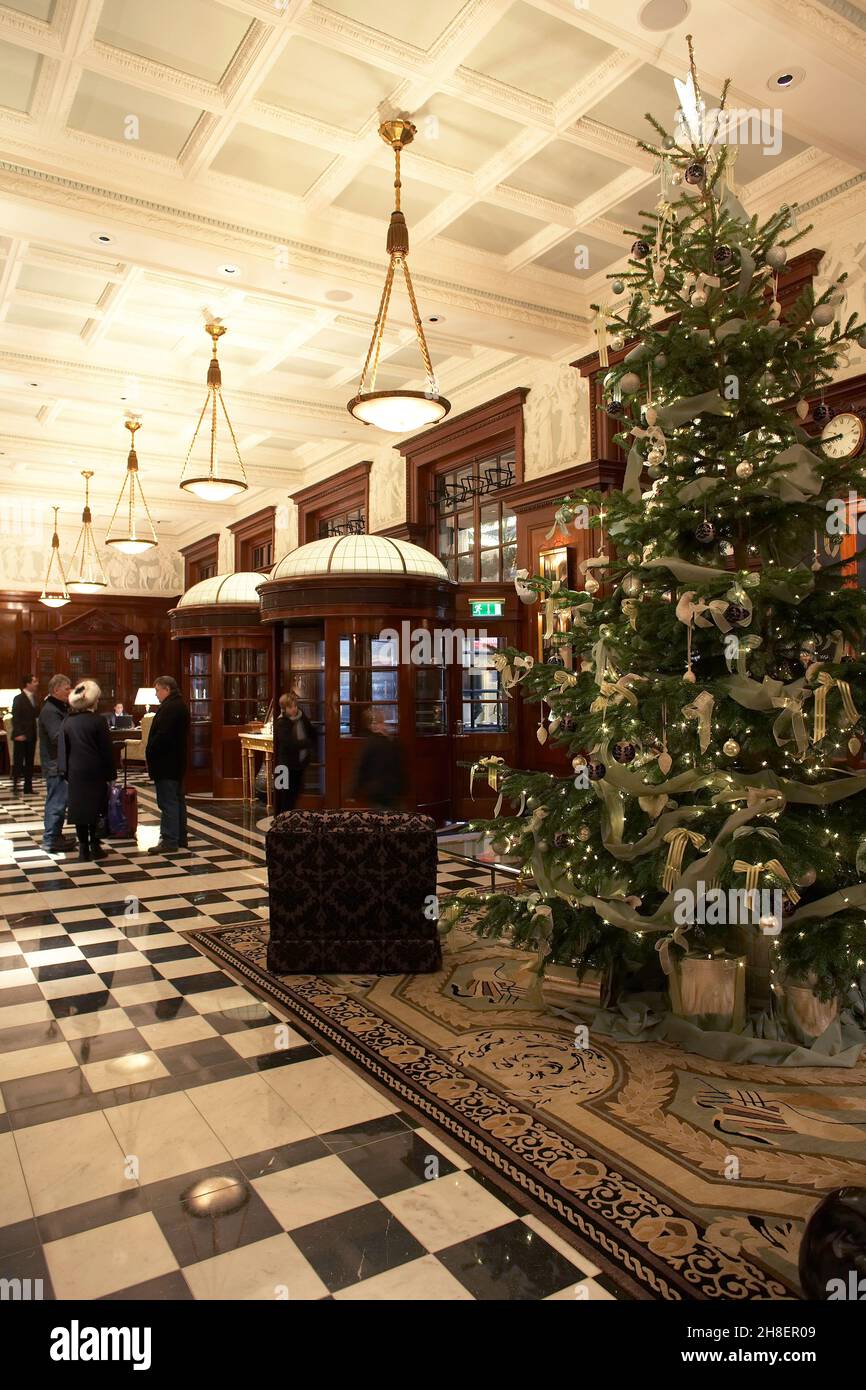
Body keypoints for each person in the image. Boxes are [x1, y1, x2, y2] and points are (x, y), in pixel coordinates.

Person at [58, 680, 115, 861]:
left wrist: (64, 771)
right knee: (96, 808)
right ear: (92, 701)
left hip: (75, 770)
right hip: (95, 770)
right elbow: (106, 750)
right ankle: (95, 846)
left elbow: (63, 748)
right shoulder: (99, 721)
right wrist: (111, 774)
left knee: (80, 809)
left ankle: (83, 849)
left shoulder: (67, 722)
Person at [145, 675, 189, 854]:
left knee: (168, 802)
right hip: (175, 762)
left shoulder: (171, 708)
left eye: (157, 690)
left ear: (167, 689)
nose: (156, 694)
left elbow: (162, 737)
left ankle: (170, 840)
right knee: (177, 800)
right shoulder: (178, 705)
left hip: (166, 763)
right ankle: (180, 837)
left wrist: (151, 751)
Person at [38, 673, 72, 852]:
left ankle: (56, 836)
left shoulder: (58, 707)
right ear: (56, 689)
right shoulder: (51, 710)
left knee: (60, 800)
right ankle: (51, 839)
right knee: (57, 802)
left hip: (59, 762)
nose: (70, 692)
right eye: (67, 689)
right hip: (55, 764)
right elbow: (57, 736)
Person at [351, 705, 407, 811]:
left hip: (387, 790)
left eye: (383, 721)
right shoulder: (374, 742)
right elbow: (360, 767)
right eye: (380, 722)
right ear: (373, 726)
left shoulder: (390, 741)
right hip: (380, 791)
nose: (384, 725)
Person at [273, 691, 315, 814]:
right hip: (283, 766)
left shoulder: (302, 717)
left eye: (295, 706)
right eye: (291, 707)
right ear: (284, 709)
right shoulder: (281, 723)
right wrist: (307, 743)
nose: (294, 709)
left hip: (298, 765)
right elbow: (289, 744)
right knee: (283, 797)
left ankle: (289, 820)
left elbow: (311, 732)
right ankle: (280, 822)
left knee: (294, 795)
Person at [11, 674, 38, 794]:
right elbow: (15, 717)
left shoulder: (34, 698)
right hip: (20, 736)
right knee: (18, 762)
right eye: (34, 681)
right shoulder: (18, 698)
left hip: (31, 735)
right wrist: (18, 733)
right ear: (28, 684)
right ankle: (15, 786)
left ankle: (28, 787)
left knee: (29, 762)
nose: (36, 683)